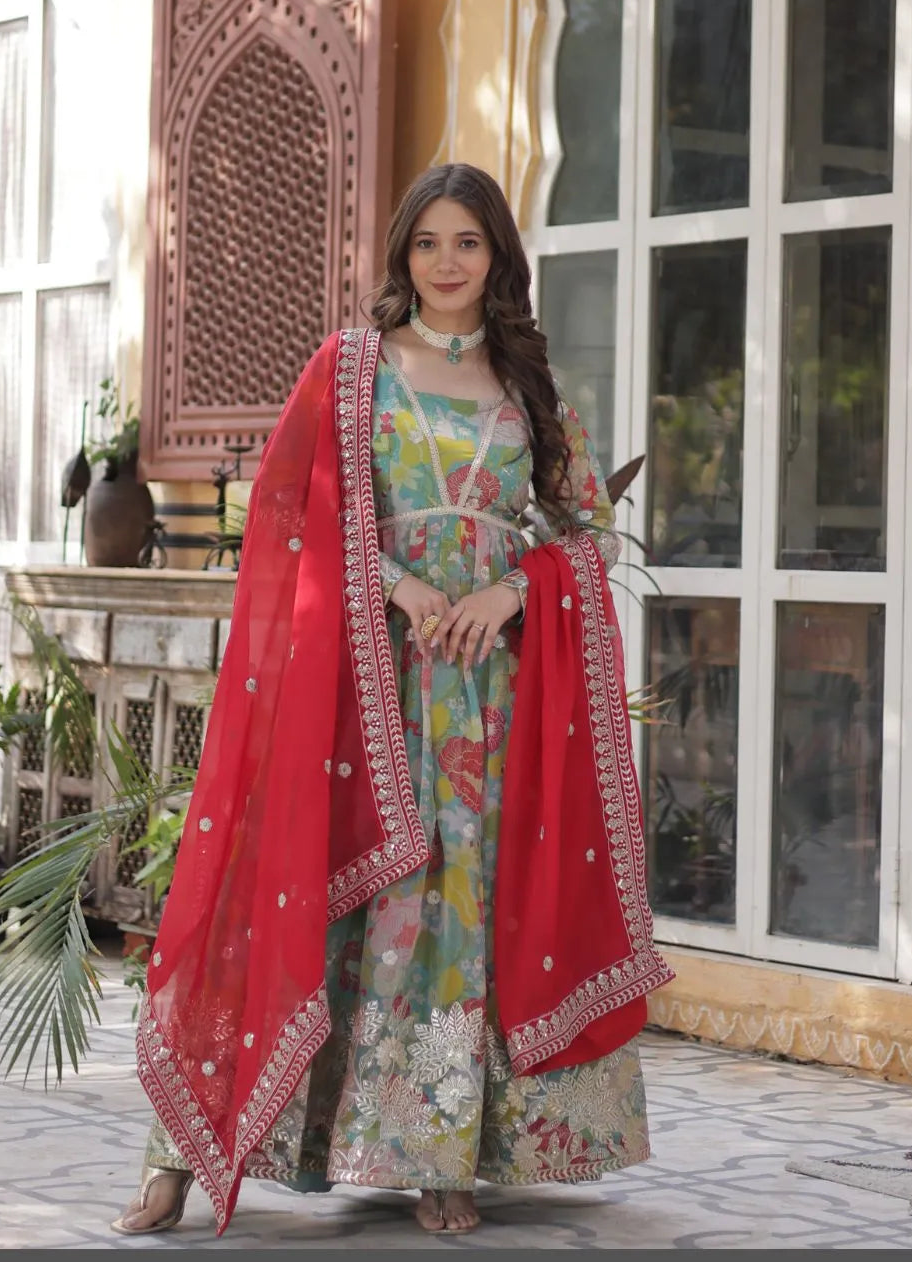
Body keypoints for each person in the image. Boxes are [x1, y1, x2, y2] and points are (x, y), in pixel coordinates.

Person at [111, 163, 674, 1237]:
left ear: (498, 257)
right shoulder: (352, 368)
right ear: (402, 255)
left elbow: (585, 532)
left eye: (468, 243)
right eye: (428, 243)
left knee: (455, 906)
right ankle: (183, 1149)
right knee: (279, 891)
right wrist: (402, 585)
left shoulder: (530, 388)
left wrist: (515, 590)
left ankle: (439, 1155)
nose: (447, 263)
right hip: (361, 689)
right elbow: (288, 518)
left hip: (486, 701)